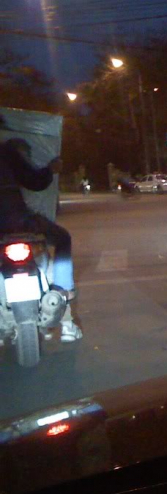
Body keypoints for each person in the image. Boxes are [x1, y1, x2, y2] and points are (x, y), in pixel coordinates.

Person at [0, 136, 82, 341]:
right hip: (16, 221)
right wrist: (50, 169)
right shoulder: (6, 151)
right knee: (62, 239)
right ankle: (63, 291)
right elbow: (34, 181)